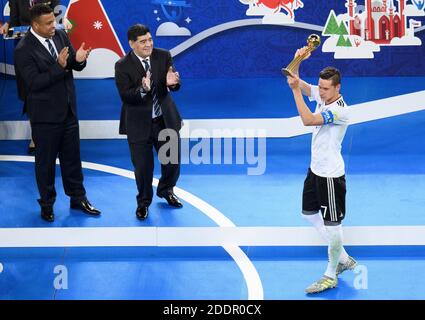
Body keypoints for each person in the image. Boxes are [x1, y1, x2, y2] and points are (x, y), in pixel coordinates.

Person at [13, 4, 100, 222]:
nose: (54, 25)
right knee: (46, 163)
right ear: (35, 25)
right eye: (49, 23)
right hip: (44, 116)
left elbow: (70, 64)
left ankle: (78, 198)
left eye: (54, 20)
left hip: (69, 110)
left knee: (73, 160)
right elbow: (33, 83)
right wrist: (59, 67)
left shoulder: (60, 35)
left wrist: (78, 60)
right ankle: (47, 204)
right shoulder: (23, 49)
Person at [285, 47, 357, 294]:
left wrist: (295, 90)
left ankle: (331, 273)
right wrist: (298, 61)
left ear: (338, 88)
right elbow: (299, 83)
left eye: (326, 89)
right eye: (321, 87)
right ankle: (343, 258)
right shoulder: (323, 96)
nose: (321, 92)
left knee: (333, 225)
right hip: (315, 170)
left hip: (330, 176)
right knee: (308, 213)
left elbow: (307, 119)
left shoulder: (338, 110)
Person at [115, 24, 183, 221]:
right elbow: (126, 96)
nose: (148, 44)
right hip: (139, 124)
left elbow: (172, 83)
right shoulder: (122, 65)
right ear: (132, 44)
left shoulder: (163, 56)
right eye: (143, 41)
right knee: (143, 169)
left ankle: (166, 190)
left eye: (150, 40)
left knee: (171, 162)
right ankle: (143, 202)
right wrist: (143, 89)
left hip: (165, 120)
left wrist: (174, 83)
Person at [0, 0, 72, 155]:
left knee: (53, 87)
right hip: (26, 49)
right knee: (31, 91)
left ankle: (58, 134)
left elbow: (56, 17)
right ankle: (36, 135)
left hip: (47, 48)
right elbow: (14, 19)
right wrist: (8, 25)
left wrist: (63, 20)